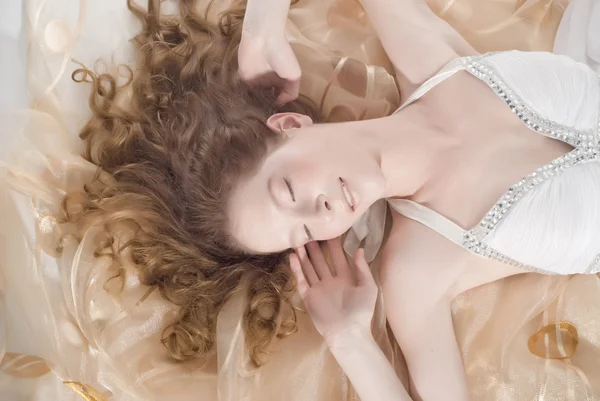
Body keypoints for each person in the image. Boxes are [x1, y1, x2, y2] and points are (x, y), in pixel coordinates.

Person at [1, 0, 597, 400]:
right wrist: (351, 342)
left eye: (288, 190)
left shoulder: (431, 61)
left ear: (288, 124)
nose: (321, 216)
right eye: (301, 234)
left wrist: (264, 26)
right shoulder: (420, 269)